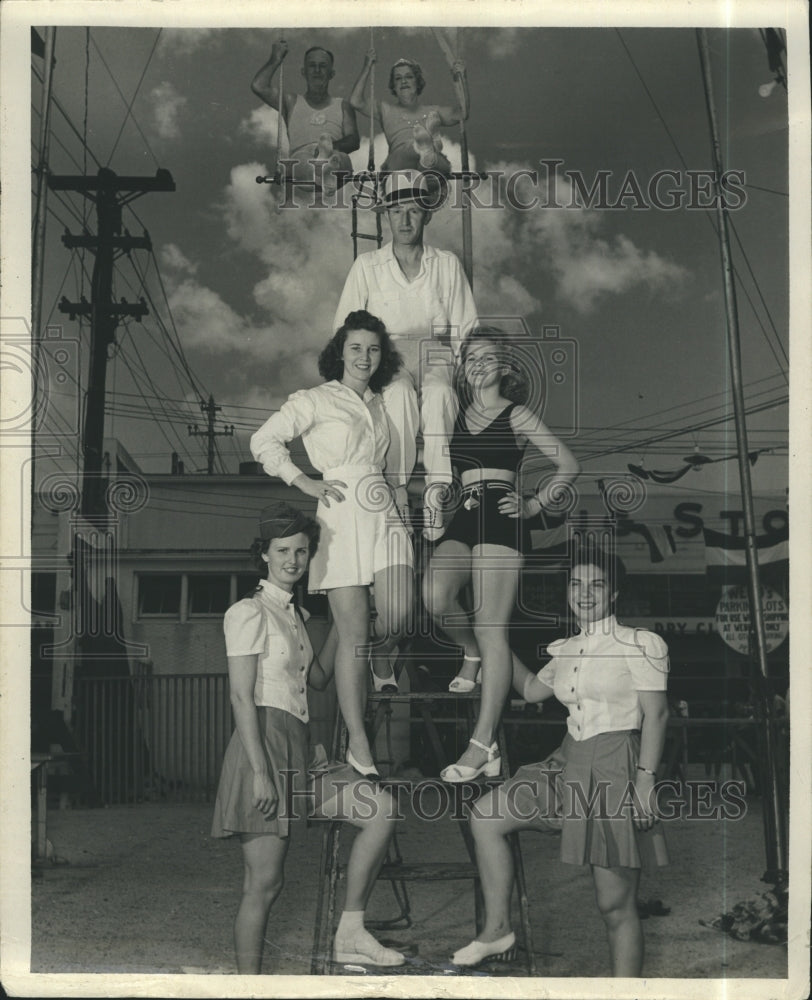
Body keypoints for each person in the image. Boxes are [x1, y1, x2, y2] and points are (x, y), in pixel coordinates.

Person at [449, 548, 670, 976]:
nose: (584, 593)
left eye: (596, 584)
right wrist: (491, 638)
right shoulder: (568, 648)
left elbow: (657, 715)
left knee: (613, 904)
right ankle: (497, 929)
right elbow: (531, 689)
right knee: (487, 817)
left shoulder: (640, 643)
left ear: (615, 592)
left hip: (615, 766)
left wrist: (645, 782)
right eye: (576, 583)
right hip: (567, 760)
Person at [211, 503, 404, 972]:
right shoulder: (247, 612)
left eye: (301, 551)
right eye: (283, 551)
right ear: (265, 555)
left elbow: (318, 678)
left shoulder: (295, 615)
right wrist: (260, 773)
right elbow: (240, 698)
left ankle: (350, 932)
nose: (293, 560)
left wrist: (345, 614)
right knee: (265, 884)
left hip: (300, 751)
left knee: (380, 811)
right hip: (263, 750)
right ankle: (249, 987)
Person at [250, 311, 413, 775]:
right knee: (354, 638)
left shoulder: (383, 403)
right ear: (340, 351)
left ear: (382, 356)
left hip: (384, 506)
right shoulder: (316, 399)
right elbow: (264, 441)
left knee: (401, 609)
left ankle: (387, 653)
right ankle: (358, 744)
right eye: (356, 347)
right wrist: (303, 482)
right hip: (340, 514)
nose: (364, 356)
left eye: (373, 348)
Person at [422, 326, 580, 781]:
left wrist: (533, 504)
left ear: (505, 367)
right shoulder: (453, 414)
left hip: (501, 516)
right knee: (434, 596)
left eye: (487, 358)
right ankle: (470, 652)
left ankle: (482, 742)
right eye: (471, 359)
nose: (478, 365)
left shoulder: (516, 414)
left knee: (494, 626)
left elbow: (568, 465)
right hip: (464, 515)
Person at [333, 171, 478, 545]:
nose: (405, 220)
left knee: (440, 395)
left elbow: (466, 327)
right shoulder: (367, 266)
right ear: (386, 215)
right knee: (397, 397)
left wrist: (474, 378)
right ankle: (396, 492)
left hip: (435, 349)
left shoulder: (446, 264)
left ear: (427, 215)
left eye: (414, 211)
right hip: (386, 351)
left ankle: (436, 496)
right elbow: (344, 329)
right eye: (397, 211)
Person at [251, 41, 360, 194]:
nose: (317, 70)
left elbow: (353, 140)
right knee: (300, 162)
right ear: (304, 72)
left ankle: (325, 168)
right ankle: (322, 172)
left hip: (333, 153)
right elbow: (259, 86)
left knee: (341, 160)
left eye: (322, 66)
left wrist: (328, 149)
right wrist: (275, 59)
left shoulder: (343, 105)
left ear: (331, 74)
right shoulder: (290, 102)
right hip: (302, 159)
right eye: (312, 65)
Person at [350, 51, 469, 177]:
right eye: (398, 78)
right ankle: (423, 151)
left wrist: (462, 79)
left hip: (430, 171)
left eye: (409, 77)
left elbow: (462, 113)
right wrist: (367, 66)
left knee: (431, 157)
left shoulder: (432, 111)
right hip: (399, 169)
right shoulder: (386, 110)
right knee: (418, 150)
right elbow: (356, 101)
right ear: (393, 86)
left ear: (417, 82)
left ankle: (427, 164)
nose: (403, 81)